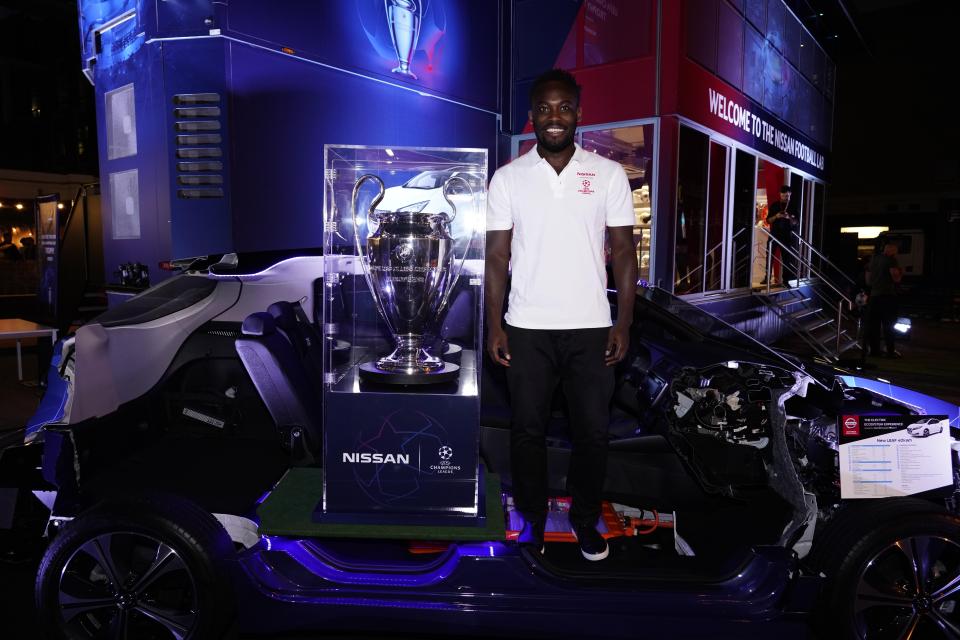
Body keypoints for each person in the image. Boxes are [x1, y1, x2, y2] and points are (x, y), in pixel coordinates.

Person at [485, 68, 636, 561]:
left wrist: (623, 322)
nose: (555, 117)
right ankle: (530, 517)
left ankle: (585, 520)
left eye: (564, 107)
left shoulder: (609, 173)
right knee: (526, 432)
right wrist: (495, 324)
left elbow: (624, 252)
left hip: (591, 328)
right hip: (527, 329)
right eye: (545, 109)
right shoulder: (508, 178)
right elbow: (496, 258)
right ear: (532, 116)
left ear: (579, 114)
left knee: (592, 433)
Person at [865, 242, 903, 358]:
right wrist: (900, 273)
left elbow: (868, 279)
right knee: (889, 325)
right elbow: (895, 277)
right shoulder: (891, 260)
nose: (896, 253)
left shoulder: (874, 259)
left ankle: (874, 351)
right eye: (896, 251)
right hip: (887, 296)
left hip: (874, 296)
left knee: (874, 325)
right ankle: (890, 351)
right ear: (891, 251)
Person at [767, 186, 797, 286]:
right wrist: (776, 216)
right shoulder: (775, 205)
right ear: (780, 194)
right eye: (784, 196)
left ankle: (786, 281)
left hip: (786, 236)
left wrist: (789, 218)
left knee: (786, 259)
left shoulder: (793, 205)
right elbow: (768, 220)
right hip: (774, 234)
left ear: (790, 194)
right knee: (769, 256)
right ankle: (767, 278)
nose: (786, 198)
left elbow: (796, 223)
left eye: (787, 196)